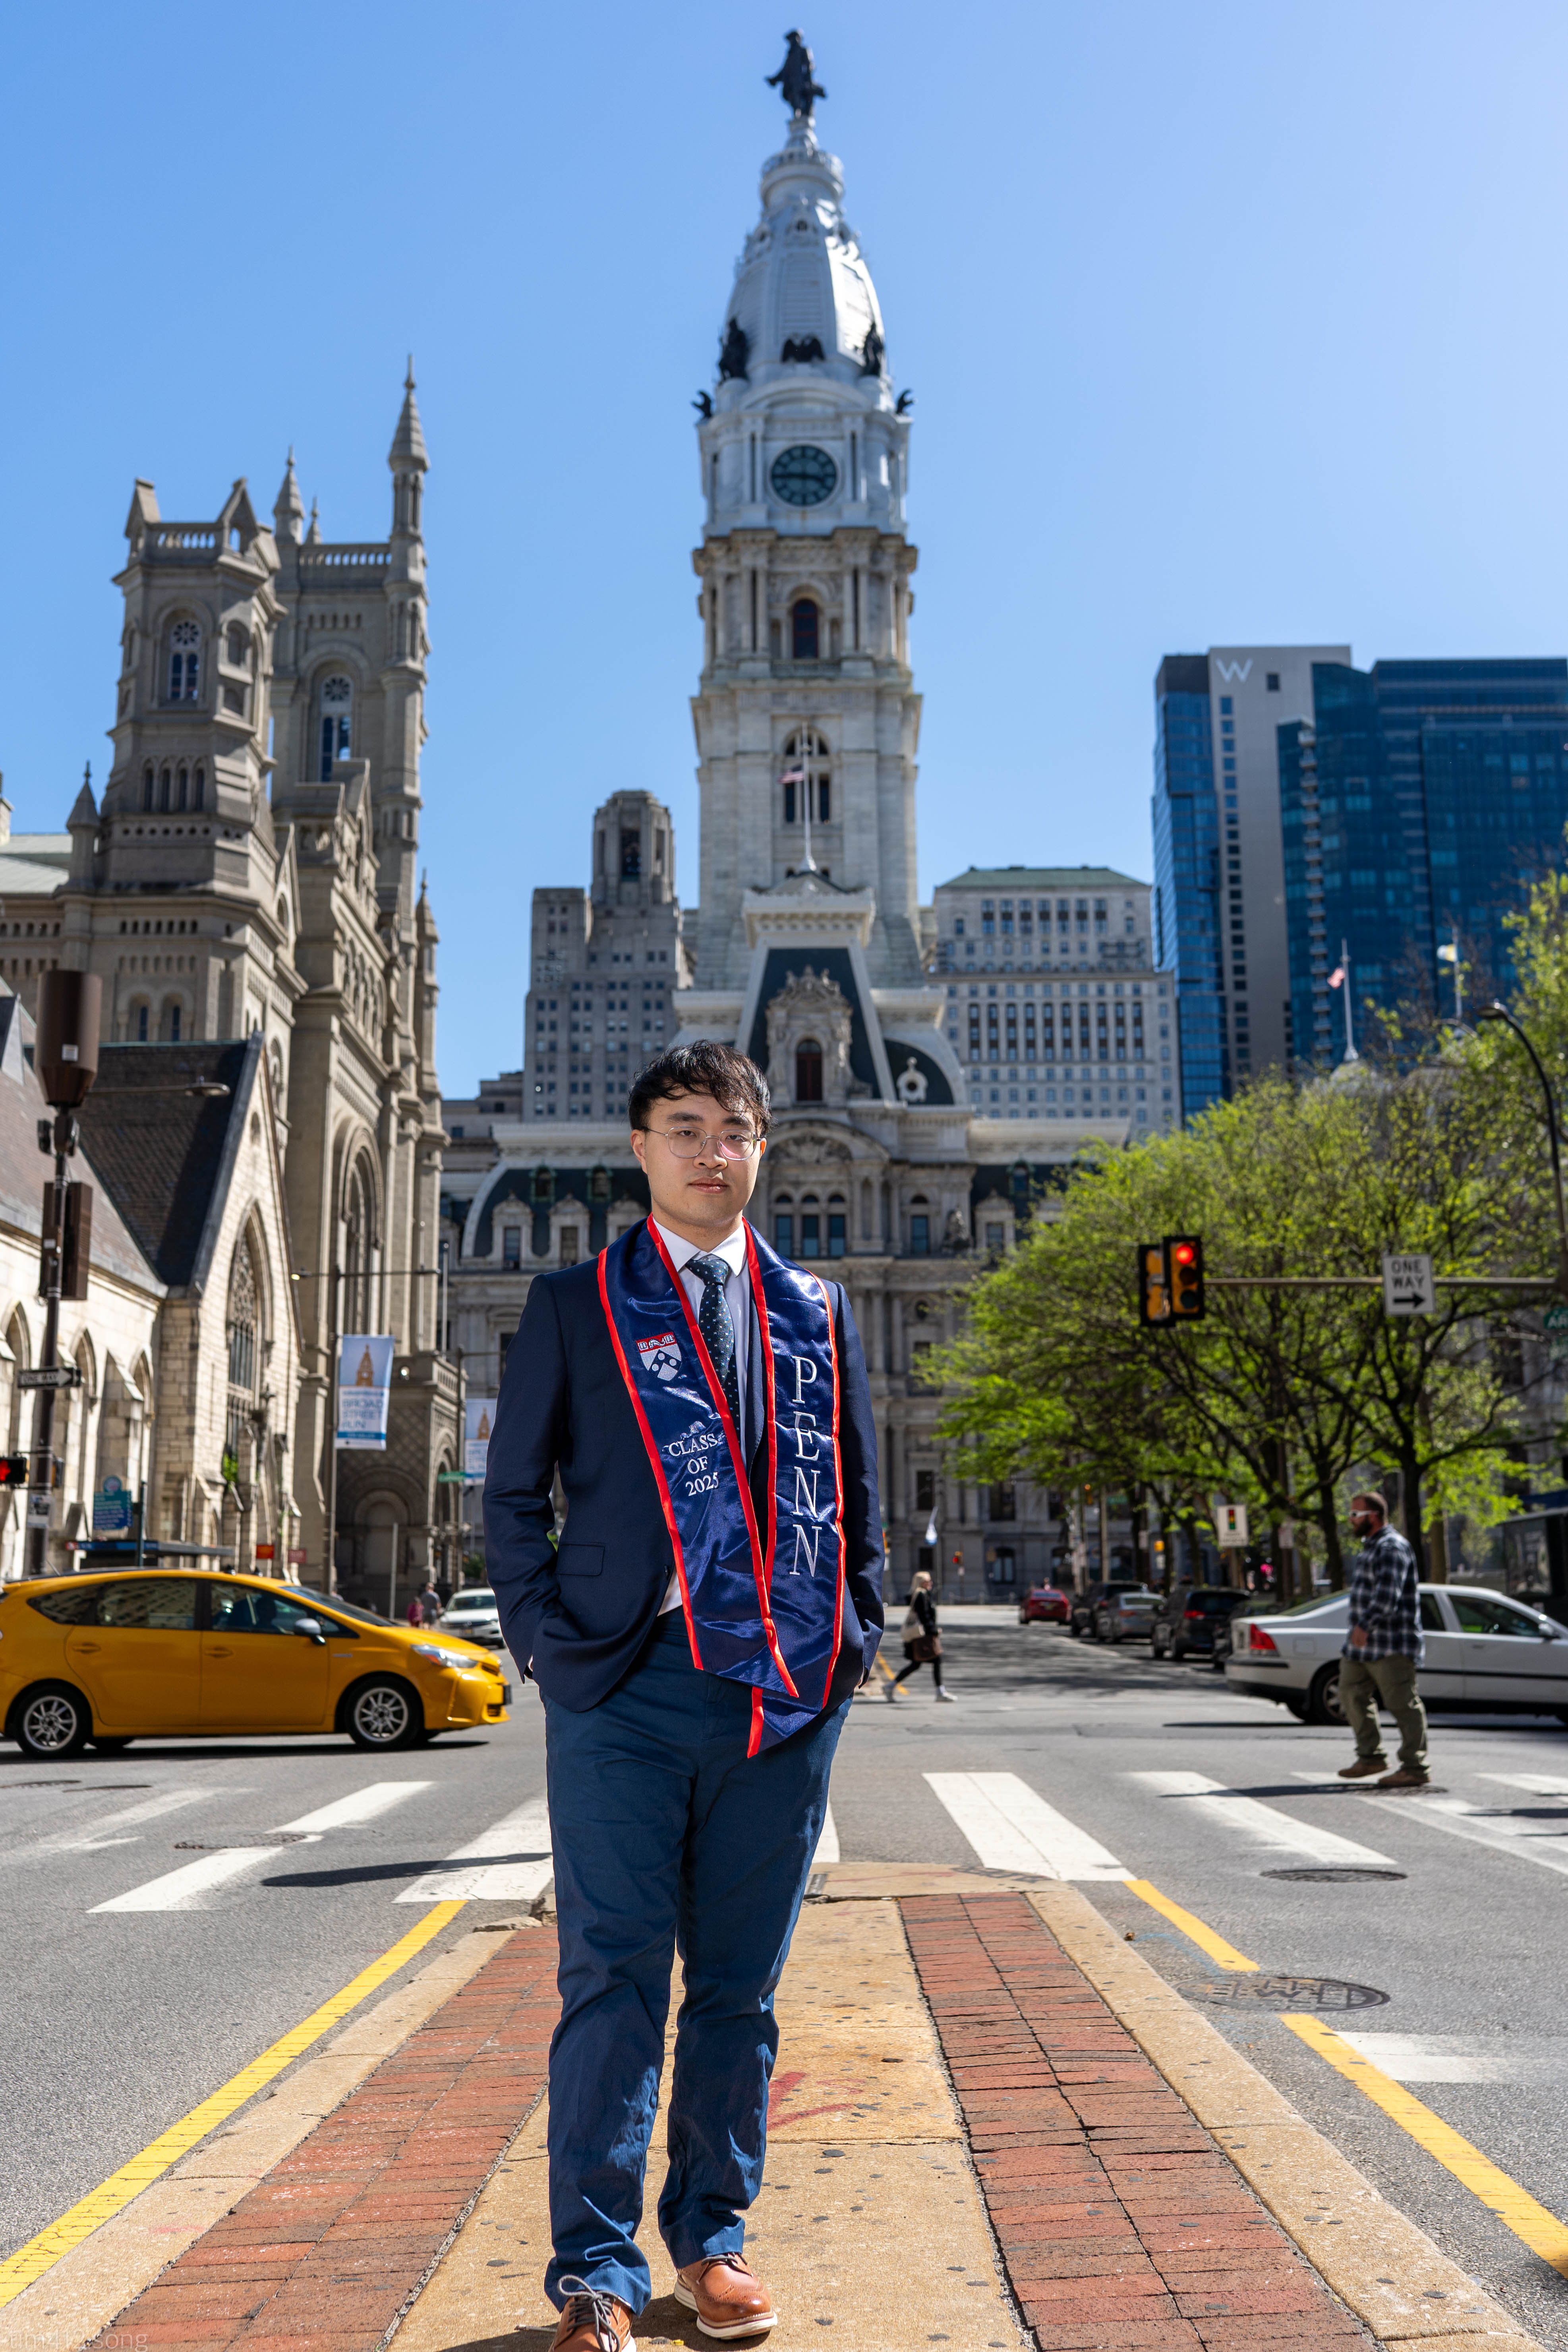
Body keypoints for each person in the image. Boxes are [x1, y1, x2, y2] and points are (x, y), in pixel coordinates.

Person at [484, 1041, 884, 2352]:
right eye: (684, 1125)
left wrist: (853, 1644)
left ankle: (711, 2237)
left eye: (734, 1129)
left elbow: (861, 1509)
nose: (713, 1148)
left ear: (760, 1150)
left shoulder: (816, 1312)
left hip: (777, 1694)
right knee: (610, 1979)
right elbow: (510, 1499)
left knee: (737, 1991)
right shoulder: (575, 1301)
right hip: (622, 1687)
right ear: (641, 1147)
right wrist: (547, 1642)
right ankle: (593, 2274)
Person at [1336, 1491, 1429, 1789]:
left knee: (1401, 1703)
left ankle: (1414, 1767)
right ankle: (1371, 1757)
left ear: (1372, 1517)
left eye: (1355, 1515)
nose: (1350, 1520)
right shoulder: (1370, 1547)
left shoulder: (1391, 1547)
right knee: (1350, 1693)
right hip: (1361, 1644)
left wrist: (1365, 1625)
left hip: (1391, 1642)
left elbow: (1387, 1597)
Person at [887, 1567, 954, 1701]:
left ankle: (890, 1686)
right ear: (921, 1582)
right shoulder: (921, 1595)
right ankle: (940, 1692)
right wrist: (934, 1631)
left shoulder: (919, 1594)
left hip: (918, 1636)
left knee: (917, 1664)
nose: (931, 1583)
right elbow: (924, 1616)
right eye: (928, 1581)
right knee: (936, 1659)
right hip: (921, 1636)